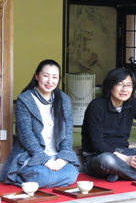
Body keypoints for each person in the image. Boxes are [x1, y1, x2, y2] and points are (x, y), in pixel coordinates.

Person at [1, 60, 79, 188]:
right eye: (46, 76)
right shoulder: (25, 100)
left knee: (71, 174)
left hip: (57, 155)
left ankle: (33, 183)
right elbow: (26, 135)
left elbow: (68, 133)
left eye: (54, 77)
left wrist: (63, 157)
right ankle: (28, 178)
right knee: (42, 176)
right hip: (32, 155)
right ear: (37, 76)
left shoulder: (64, 100)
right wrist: (44, 159)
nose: (50, 81)